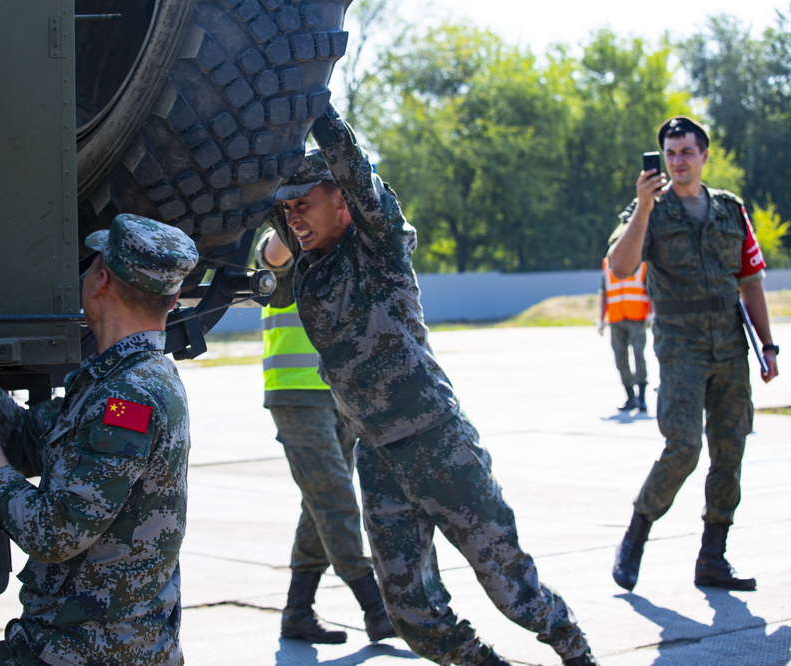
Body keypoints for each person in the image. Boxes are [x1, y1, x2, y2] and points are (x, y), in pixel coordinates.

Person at [268, 104, 599, 666]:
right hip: (378, 455)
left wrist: (310, 101)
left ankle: (573, 650)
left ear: (341, 198)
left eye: (305, 204)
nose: (294, 217)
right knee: (412, 613)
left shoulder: (380, 244)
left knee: (511, 588)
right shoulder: (306, 270)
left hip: (436, 443)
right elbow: (269, 212)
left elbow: (353, 168)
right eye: (287, 210)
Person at [0, 214, 199, 665]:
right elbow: (27, 440)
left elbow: (55, 533)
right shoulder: (122, 379)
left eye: (91, 265)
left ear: (100, 280)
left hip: (89, 650)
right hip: (101, 642)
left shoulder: (126, 397)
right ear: (175, 297)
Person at [607, 116, 780, 593]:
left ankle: (712, 557)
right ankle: (637, 532)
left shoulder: (730, 210)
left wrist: (767, 346)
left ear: (704, 156)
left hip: (730, 347)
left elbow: (751, 282)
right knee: (682, 448)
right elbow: (621, 269)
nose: (678, 162)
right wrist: (643, 208)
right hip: (680, 347)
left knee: (730, 451)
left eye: (686, 152)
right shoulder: (650, 210)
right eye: (670, 154)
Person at [256, 228, 395, 645]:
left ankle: (298, 611)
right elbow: (272, 255)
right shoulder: (285, 240)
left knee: (317, 506)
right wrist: (297, 215)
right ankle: (374, 605)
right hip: (296, 394)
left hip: (341, 395)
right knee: (335, 498)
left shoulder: (341, 258)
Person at [598, 257, 652, 411]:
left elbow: (650, 289)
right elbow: (604, 293)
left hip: (637, 317)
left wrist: (651, 314)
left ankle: (641, 397)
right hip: (616, 318)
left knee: (639, 356)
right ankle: (630, 397)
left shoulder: (641, 264)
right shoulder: (608, 265)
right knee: (620, 359)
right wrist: (601, 319)